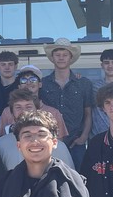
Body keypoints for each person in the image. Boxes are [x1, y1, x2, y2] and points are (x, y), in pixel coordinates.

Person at [40, 37, 94, 167]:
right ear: (52, 58)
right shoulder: (43, 83)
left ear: (71, 58)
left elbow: (88, 113)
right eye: (57, 55)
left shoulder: (83, 83)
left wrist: (84, 137)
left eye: (65, 55)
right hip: (51, 141)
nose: (61, 58)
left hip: (76, 142)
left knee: (80, 179)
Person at [0, 90, 75, 170]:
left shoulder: (58, 146)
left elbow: (69, 177)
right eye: (18, 107)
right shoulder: (0, 145)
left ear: (37, 110)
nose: (24, 111)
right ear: (12, 112)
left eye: (28, 107)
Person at [0, 66, 68, 140]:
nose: (28, 83)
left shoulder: (54, 113)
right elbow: (3, 139)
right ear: (19, 86)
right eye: (23, 80)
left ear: (40, 84)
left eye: (33, 79)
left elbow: (59, 141)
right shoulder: (7, 112)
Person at [0, 50, 20, 116]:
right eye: (3, 64)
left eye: (10, 64)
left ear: (15, 67)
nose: (7, 67)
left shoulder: (21, 86)